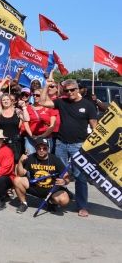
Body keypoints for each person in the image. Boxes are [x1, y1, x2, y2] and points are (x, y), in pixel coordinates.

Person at [40, 78, 97, 218]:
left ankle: (82, 205)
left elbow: (95, 127)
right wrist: (45, 86)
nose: (70, 92)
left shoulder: (88, 105)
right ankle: (58, 200)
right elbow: (42, 102)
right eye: (67, 90)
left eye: (72, 90)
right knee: (60, 175)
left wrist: (92, 146)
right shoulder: (61, 102)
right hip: (61, 144)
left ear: (78, 89)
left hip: (79, 145)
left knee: (80, 176)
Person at [13, 138, 70, 214]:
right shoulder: (31, 157)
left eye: (44, 148)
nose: (41, 150)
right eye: (39, 148)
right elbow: (20, 174)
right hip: (35, 186)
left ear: (48, 149)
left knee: (64, 200)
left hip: (51, 189)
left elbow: (67, 177)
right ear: (35, 148)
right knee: (17, 180)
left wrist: (64, 181)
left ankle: (51, 202)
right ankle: (23, 203)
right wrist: (20, 161)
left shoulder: (55, 159)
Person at [0, 93, 29, 163]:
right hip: (3, 142)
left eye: (7, 99)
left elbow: (27, 119)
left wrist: (24, 107)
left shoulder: (17, 111)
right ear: (1, 102)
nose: (6, 101)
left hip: (16, 142)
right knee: (3, 162)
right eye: (3, 100)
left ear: (11, 101)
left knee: (16, 162)